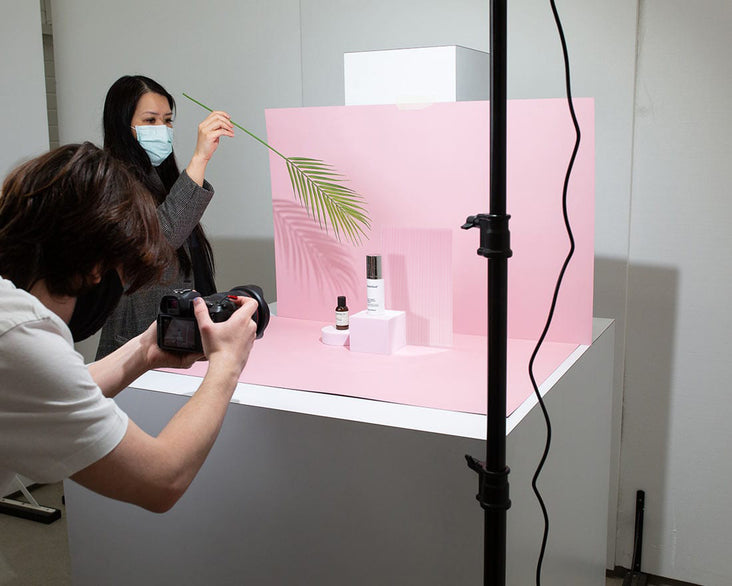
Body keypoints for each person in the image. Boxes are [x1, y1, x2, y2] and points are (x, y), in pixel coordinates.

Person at [0, 143, 257, 512]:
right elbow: (162, 480)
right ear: (95, 268)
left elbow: (56, 390)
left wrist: (144, 350)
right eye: (122, 277)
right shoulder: (21, 333)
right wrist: (228, 363)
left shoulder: (10, 316)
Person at [95, 74, 234, 359]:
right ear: (122, 125)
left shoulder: (161, 177)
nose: (162, 129)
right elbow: (161, 238)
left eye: (168, 120)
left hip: (176, 336)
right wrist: (200, 159)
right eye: (150, 120)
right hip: (136, 345)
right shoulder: (108, 183)